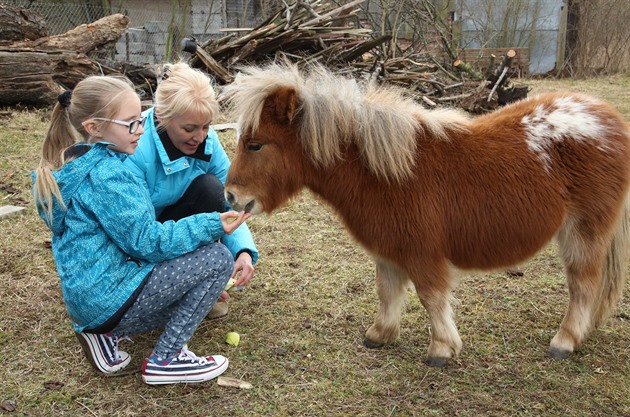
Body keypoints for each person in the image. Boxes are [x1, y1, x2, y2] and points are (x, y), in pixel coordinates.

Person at [32, 75, 251, 385]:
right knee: (217, 260)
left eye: (139, 120)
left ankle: (104, 333)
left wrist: (241, 247)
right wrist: (211, 224)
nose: (140, 128)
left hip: (89, 303)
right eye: (131, 123)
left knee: (202, 281)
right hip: (110, 297)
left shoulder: (73, 165)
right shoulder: (111, 174)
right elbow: (146, 242)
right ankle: (167, 359)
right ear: (95, 127)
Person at [124, 61, 259, 319]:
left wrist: (241, 252)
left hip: (175, 229)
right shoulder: (134, 147)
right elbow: (136, 233)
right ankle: (169, 287)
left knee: (211, 189)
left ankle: (198, 283)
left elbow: (231, 204)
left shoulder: (208, 142)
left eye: (206, 126)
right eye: (189, 128)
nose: (200, 136)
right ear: (161, 115)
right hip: (139, 235)